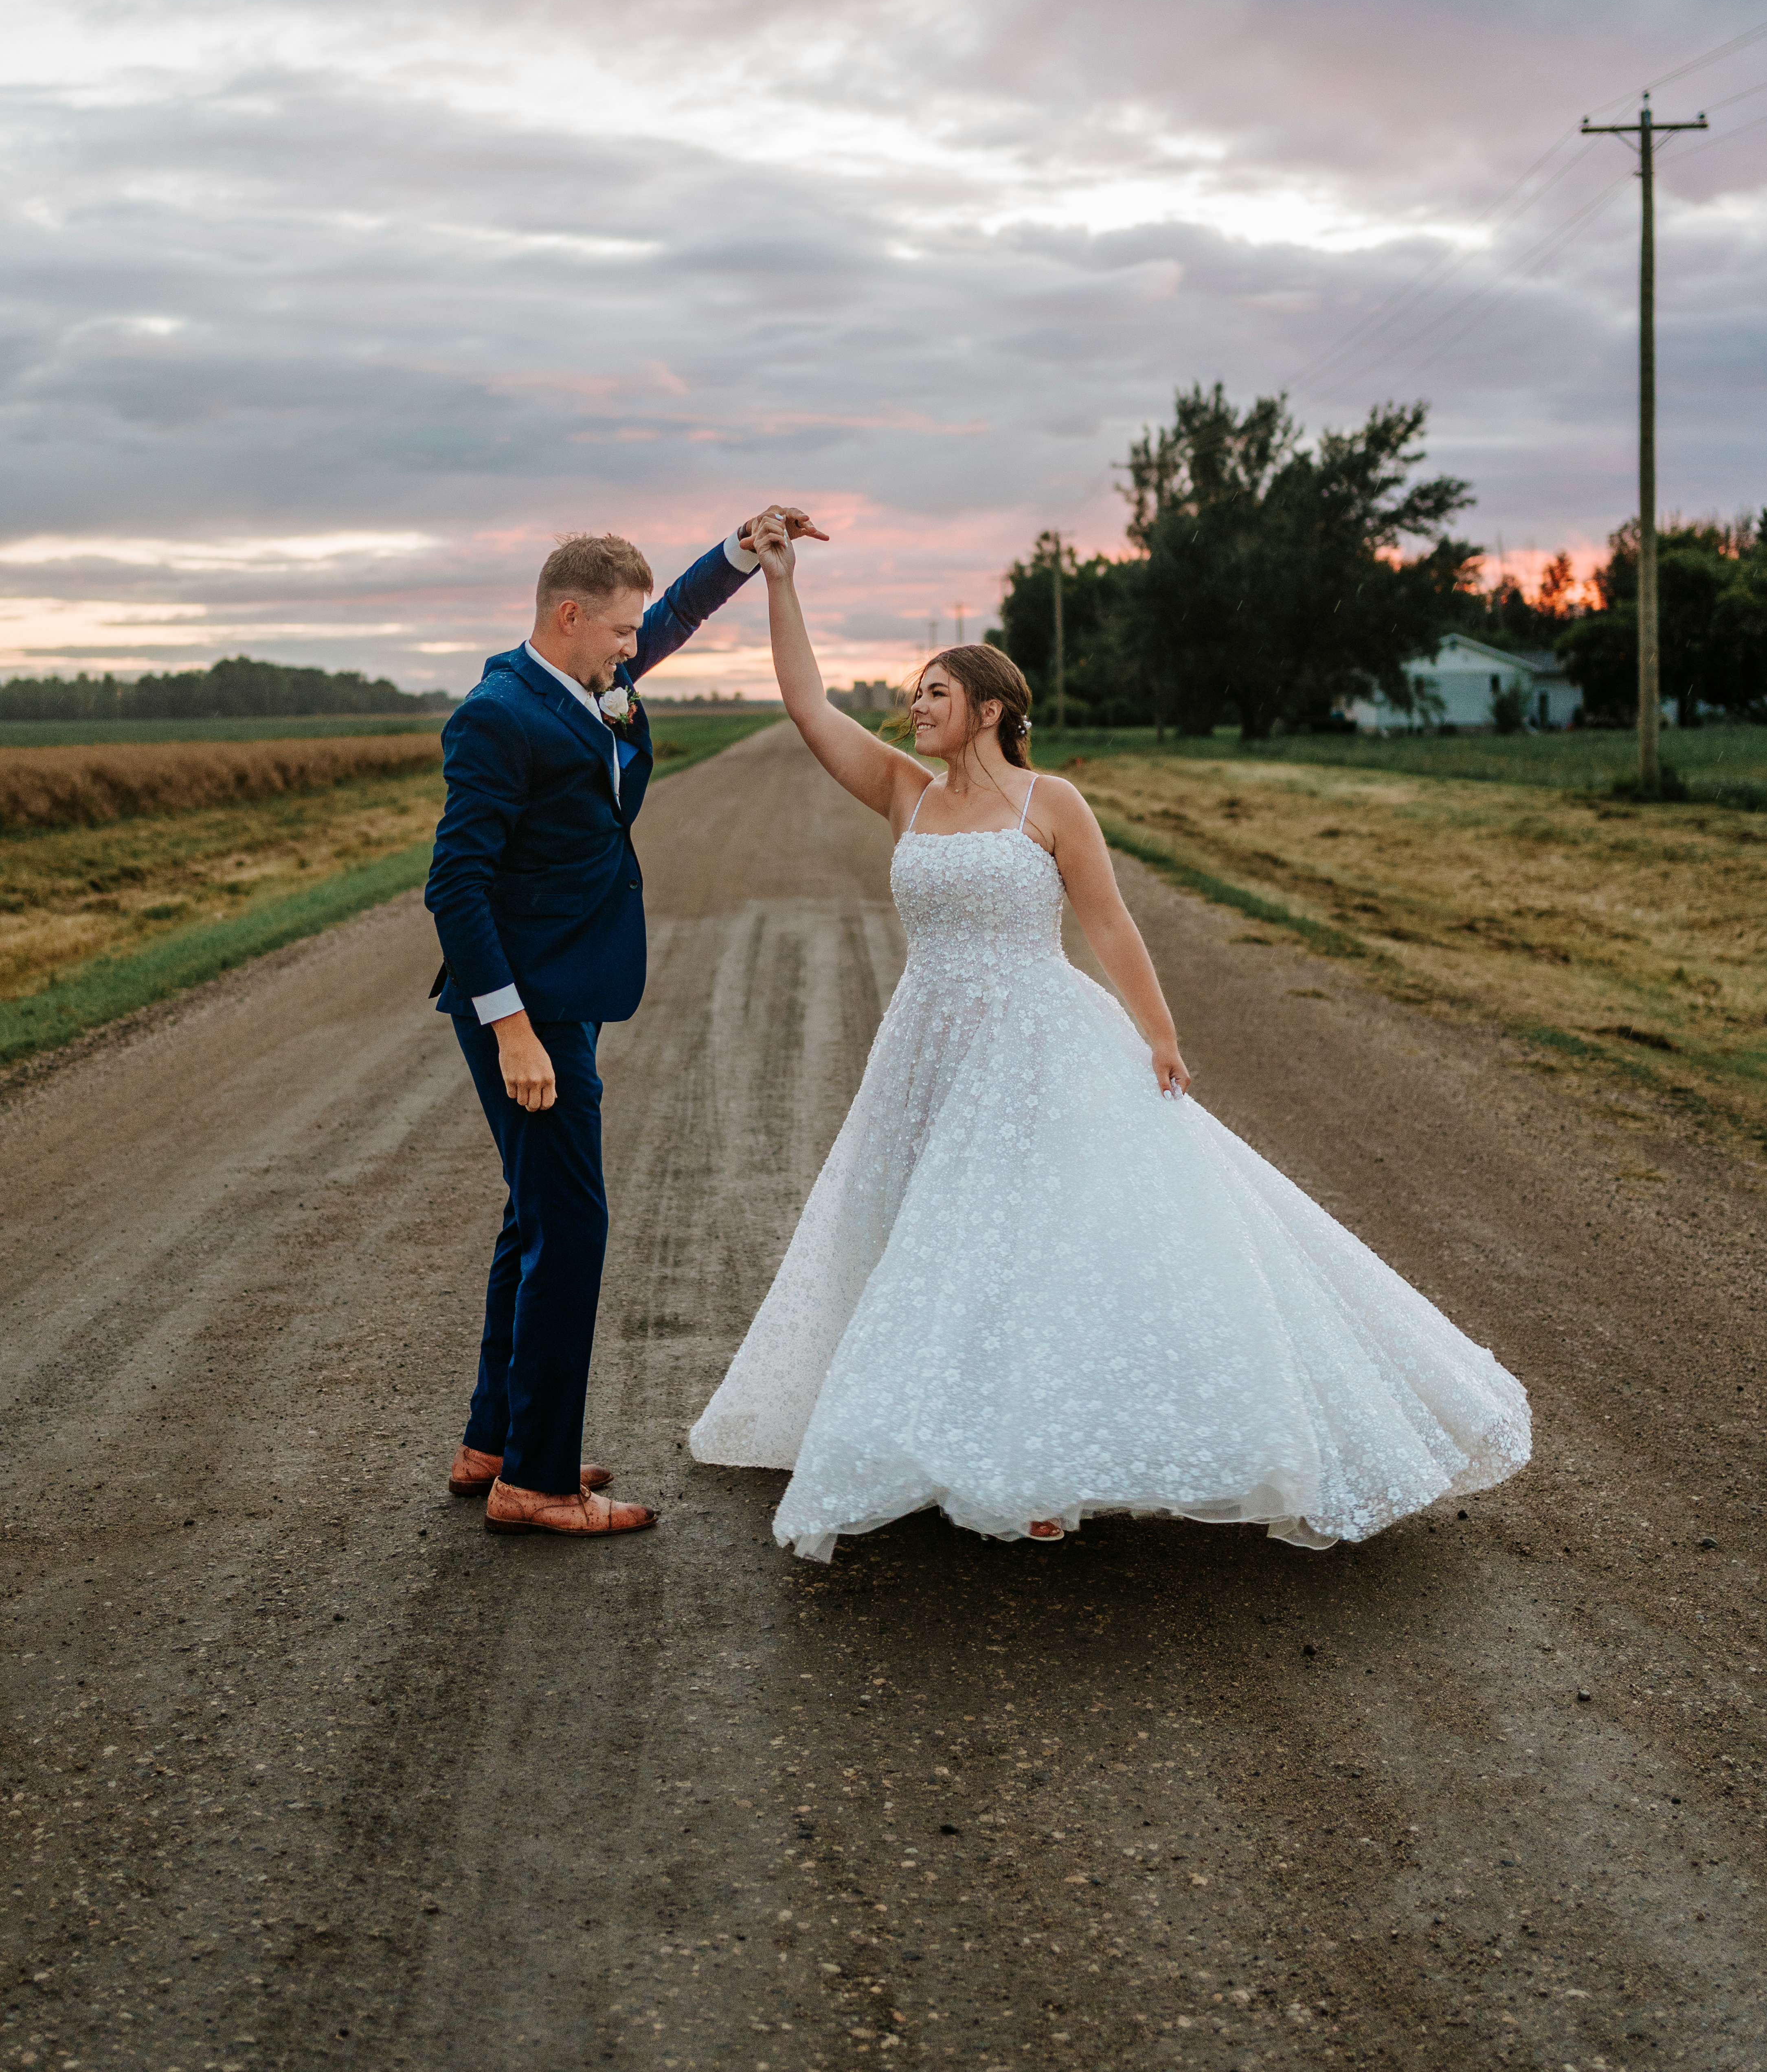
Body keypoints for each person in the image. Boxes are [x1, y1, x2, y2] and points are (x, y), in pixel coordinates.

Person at [690, 520, 1530, 1561]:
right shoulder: (906, 793)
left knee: (1030, 1247)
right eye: (916, 695)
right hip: (927, 1049)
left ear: (989, 709)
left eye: (935, 694)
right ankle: (935, 1438)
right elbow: (809, 706)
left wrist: (1161, 1035)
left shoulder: (1056, 803)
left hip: (1040, 1044)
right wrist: (779, 582)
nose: (915, 707)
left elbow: (1110, 924)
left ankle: (1039, 1464)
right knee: (934, 1246)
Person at [427, 505, 826, 1540]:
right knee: (571, 1227)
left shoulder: (585, 685)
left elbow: (676, 616)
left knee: (534, 1215)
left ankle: (497, 1441)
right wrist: (512, 1027)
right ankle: (541, 1481)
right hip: (529, 1005)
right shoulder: (500, 713)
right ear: (568, 615)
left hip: (566, 990)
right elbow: (455, 886)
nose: (633, 645)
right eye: (617, 630)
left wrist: (743, 551)